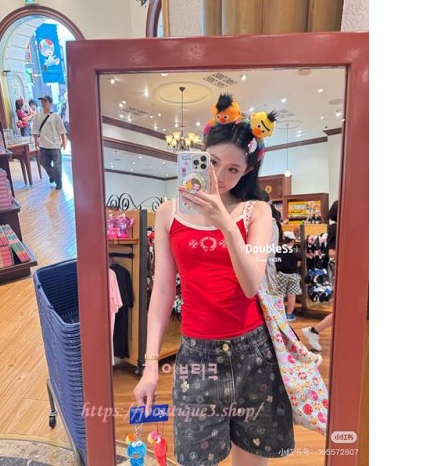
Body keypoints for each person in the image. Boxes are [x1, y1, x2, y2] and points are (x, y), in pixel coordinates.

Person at [134, 98, 295, 466]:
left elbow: (251, 284)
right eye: (213, 162)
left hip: (253, 354)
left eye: (233, 169)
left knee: (251, 463)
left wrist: (225, 222)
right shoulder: (168, 212)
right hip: (196, 357)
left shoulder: (258, 212)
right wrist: (149, 365)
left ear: (247, 171)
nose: (220, 177)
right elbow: (162, 291)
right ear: (200, 155)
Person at [302, 200, 338, 351]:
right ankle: (314, 330)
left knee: (343, 309)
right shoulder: (335, 228)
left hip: (345, 271)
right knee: (344, 308)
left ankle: (314, 330)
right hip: (342, 271)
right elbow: (332, 252)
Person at [32, 95, 67, 190]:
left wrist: (64, 142)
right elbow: (35, 130)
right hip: (43, 145)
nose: (43, 103)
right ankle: (53, 175)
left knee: (57, 165)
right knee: (43, 162)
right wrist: (36, 141)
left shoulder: (55, 116)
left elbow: (61, 130)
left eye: (45, 101)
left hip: (55, 145)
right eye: (42, 101)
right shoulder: (37, 116)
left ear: (50, 103)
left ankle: (59, 183)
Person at [275, 231, 302, 322]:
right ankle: (289, 315)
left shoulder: (278, 250)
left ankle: (279, 314)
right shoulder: (295, 252)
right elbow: (298, 264)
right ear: (293, 241)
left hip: (281, 275)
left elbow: (275, 263)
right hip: (293, 275)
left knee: (280, 295)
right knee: (291, 295)